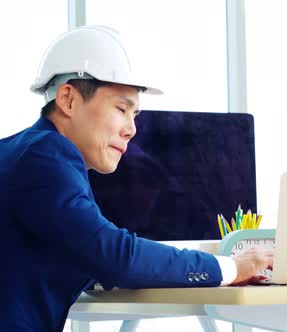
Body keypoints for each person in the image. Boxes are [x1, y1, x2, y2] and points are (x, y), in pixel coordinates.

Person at [0, 26, 273, 331]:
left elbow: (90, 255)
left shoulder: (19, 153)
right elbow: (116, 256)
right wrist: (233, 266)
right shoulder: (46, 155)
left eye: (135, 116)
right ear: (68, 99)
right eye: (121, 109)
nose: (131, 129)